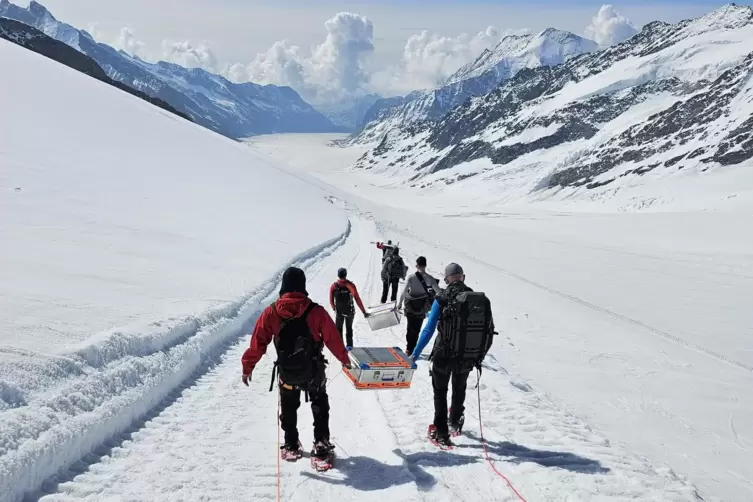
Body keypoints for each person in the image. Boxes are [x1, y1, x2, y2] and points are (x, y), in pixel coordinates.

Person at [241, 267, 352, 464]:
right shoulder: (316, 311)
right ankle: (321, 444)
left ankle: (291, 444)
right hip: (314, 372)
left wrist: (248, 367)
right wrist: (344, 359)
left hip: (287, 373)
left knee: (288, 406)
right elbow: (332, 339)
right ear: (303, 286)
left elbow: (258, 342)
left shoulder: (272, 312)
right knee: (320, 405)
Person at [410, 263, 495, 447]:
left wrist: (415, 354)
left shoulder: (442, 297)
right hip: (466, 355)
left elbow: (429, 329)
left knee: (440, 392)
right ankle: (455, 421)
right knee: (459, 387)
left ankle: (441, 433)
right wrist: (478, 356)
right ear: (463, 277)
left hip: (443, 353)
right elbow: (488, 330)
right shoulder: (478, 299)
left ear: (447, 278)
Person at [398, 256, 440, 356]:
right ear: (425, 265)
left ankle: (409, 348)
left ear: (416, 265)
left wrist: (399, 303)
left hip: (410, 307)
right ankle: (412, 348)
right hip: (422, 307)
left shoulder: (411, 277)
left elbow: (404, 292)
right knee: (417, 329)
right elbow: (438, 292)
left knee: (410, 327)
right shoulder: (430, 279)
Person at [329, 267, 369, 349]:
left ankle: (340, 348)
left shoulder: (334, 286)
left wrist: (334, 308)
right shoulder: (350, 285)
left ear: (338, 275)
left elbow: (331, 300)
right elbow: (357, 299)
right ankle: (349, 347)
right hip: (349, 311)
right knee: (349, 329)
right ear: (346, 275)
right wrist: (363, 311)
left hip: (339, 312)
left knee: (339, 329)